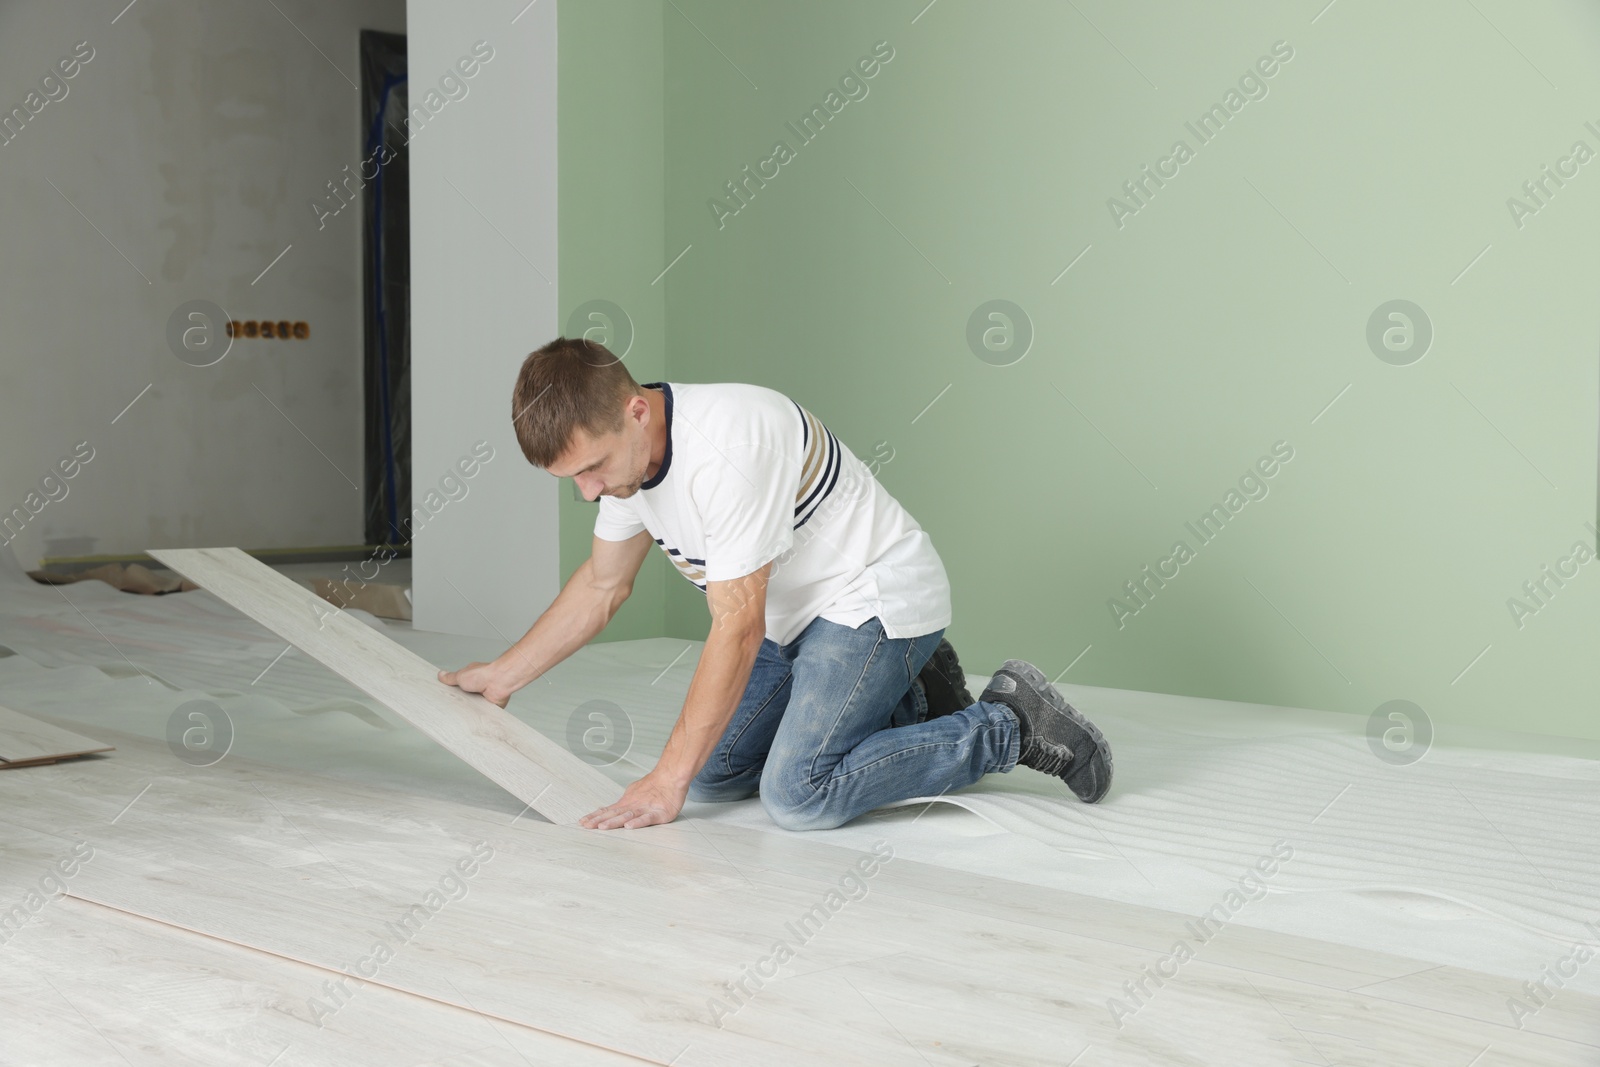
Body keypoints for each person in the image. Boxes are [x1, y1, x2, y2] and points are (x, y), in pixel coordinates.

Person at [439, 337, 1113, 831]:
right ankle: (910, 699)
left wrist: (663, 781)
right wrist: (503, 676)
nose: (589, 492)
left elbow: (737, 626)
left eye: (592, 468)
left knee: (798, 794)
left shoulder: (730, 445)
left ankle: (1009, 723)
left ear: (635, 411)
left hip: (872, 600)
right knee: (713, 773)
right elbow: (601, 584)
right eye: (574, 479)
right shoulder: (627, 465)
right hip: (794, 621)